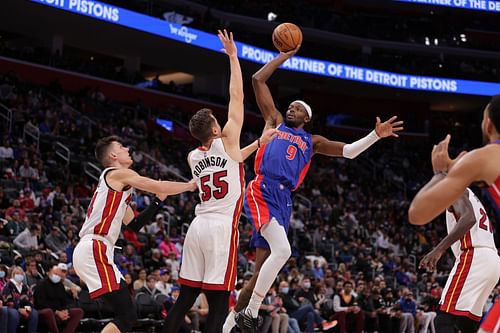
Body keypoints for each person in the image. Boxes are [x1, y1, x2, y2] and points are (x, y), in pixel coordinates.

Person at [227, 45, 403, 333]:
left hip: (284, 199)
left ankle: (226, 325)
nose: (291, 108)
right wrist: (284, 56)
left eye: (298, 107)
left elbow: (348, 151)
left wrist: (375, 135)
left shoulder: (313, 141)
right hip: (262, 187)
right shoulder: (275, 122)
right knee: (282, 250)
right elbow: (258, 80)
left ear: (306, 118)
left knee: (260, 270)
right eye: (291, 105)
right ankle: (252, 313)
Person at [162, 29, 276, 333]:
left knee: (185, 297)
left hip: (197, 226)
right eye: (217, 120)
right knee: (218, 302)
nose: (221, 121)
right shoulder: (226, 140)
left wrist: (256, 144)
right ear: (214, 130)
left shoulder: (192, 157)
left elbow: (236, 158)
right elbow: (236, 96)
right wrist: (233, 57)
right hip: (221, 228)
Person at [73, 135, 196, 333]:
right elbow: (159, 185)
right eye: (121, 147)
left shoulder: (119, 188)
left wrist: (158, 201)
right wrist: (191, 185)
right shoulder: (116, 174)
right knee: (127, 316)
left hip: (95, 250)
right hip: (94, 248)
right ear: (113, 155)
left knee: (127, 316)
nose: (127, 149)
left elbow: (135, 225)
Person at [409, 95, 500, 333]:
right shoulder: (475, 185)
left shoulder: (460, 185)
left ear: (488, 124)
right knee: (467, 323)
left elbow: (467, 218)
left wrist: (441, 173)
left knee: (444, 321)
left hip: (475, 256)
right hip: (491, 260)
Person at [34, 265, 84, 333]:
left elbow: (64, 301)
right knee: (48, 312)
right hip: (45, 311)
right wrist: (57, 312)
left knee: (79, 311)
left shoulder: (60, 285)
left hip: (60, 311)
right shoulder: (41, 284)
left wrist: (65, 311)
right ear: (49, 273)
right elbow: (40, 303)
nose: (57, 276)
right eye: (55, 274)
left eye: (58, 275)